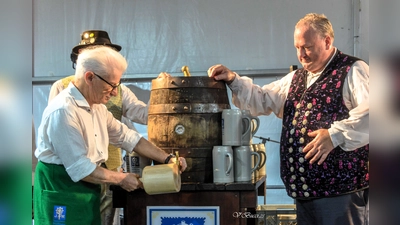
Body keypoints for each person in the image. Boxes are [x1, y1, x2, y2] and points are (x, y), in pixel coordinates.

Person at [208, 13, 369, 225]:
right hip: (303, 195)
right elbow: (263, 99)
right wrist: (233, 80)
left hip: (341, 195)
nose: (301, 54)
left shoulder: (353, 70)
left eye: (307, 47)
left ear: (327, 41)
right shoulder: (296, 78)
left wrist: (334, 135)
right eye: (297, 47)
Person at [34, 45, 187, 225]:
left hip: (87, 185)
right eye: (111, 85)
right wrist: (122, 179)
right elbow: (81, 169)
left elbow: (127, 137)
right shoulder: (64, 111)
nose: (115, 92)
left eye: (117, 85)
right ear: (89, 77)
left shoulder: (97, 107)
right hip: (61, 185)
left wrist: (167, 158)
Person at [48, 30, 149, 225]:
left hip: (109, 168)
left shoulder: (118, 90)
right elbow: (61, 139)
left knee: (102, 219)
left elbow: (136, 122)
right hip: (71, 173)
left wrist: (166, 102)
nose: (112, 92)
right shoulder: (62, 91)